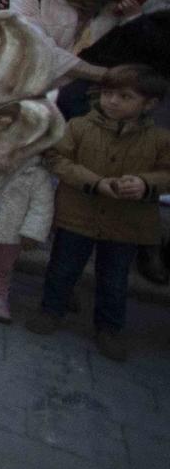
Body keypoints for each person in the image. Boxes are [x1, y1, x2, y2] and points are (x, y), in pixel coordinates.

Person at [24, 65, 170, 362]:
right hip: (77, 215)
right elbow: (56, 159)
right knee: (63, 266)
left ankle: (109, 327)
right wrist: (94, 182)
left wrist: (144, 183)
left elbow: (166, 173)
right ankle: (52, 309)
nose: (112, 101)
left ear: (149, 103)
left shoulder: (160, 139)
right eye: (107, 93)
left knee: (114, 278)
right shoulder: (79, 127)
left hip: (126, 224)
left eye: (124, 96)